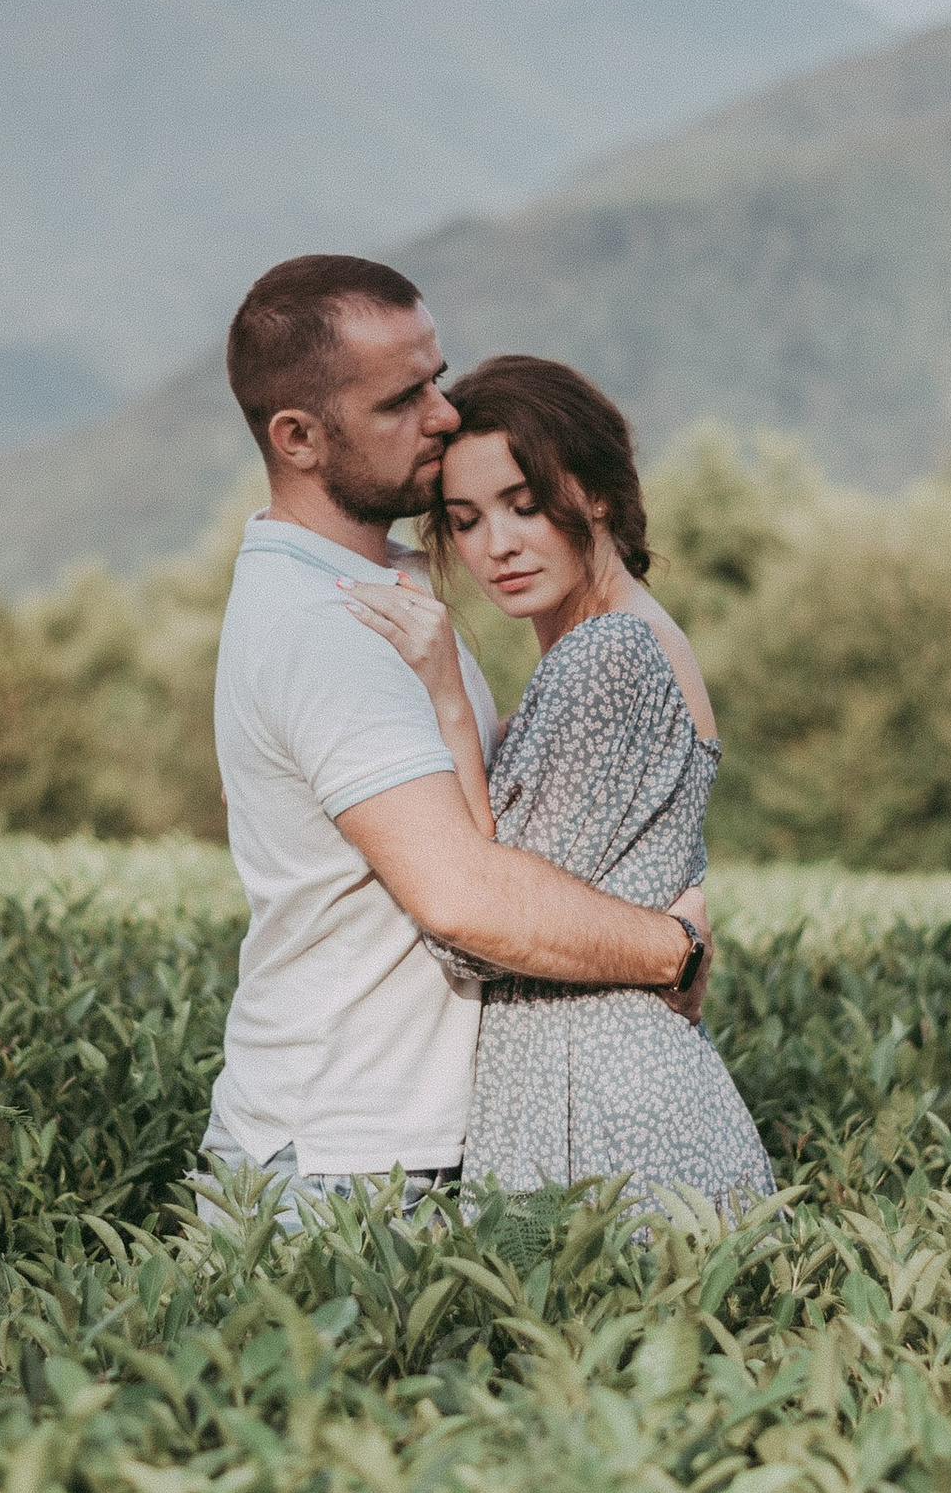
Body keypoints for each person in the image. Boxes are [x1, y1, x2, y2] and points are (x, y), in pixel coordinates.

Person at [201, 257, 715, 1216]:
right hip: (349, 1161)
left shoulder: (387, 586)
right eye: (404, 398)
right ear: (299, 437)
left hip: (398, 1141)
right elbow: (463, 899)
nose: (443, 413)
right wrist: (672, 947)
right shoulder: (331, 623)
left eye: (439, 376)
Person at [342, 352, 772, 1214]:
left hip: (596, 1105)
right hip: (624, 1082)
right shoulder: (637, 637)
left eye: (524, 506)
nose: (495, 545)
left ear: (599, 493)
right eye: (465, 520)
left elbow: (480, 919)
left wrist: (449, 701)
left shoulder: (605, 656)